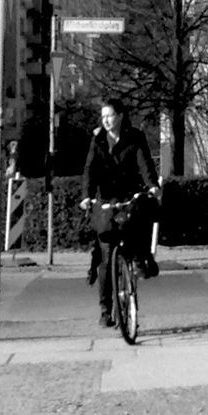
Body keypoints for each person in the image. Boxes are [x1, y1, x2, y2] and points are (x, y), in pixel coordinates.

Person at [80, 98, 161, 327]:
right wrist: (86, 196)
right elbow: (90, 169)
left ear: (121, 116)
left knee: (141, 215)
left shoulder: (135, 137)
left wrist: (152, 185)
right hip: (106, 198)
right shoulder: (97, 140)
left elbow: (145, 164)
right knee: (106, 256)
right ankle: (106, 310)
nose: (106, 120)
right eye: (103, 116)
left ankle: (141, 258)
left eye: (110, 115)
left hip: (129, 194)